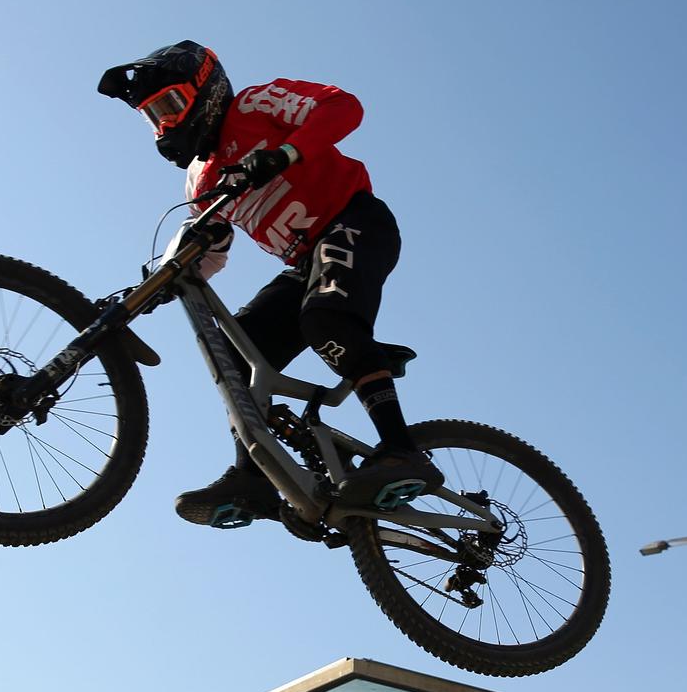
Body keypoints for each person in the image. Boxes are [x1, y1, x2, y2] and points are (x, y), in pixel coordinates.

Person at [97, 41, 441, 526]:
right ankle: (254, 478)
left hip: (354, 222)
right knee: (234, 353)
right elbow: (209, 254)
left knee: (324, 318)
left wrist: (287, 152)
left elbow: (343, 106)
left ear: (206, 89)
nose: (165, 125)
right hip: (305, 264)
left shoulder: (256, 105)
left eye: (170, 105)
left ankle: (403, 451)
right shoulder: (201, 181)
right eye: (153, 116)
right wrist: (157, 289)